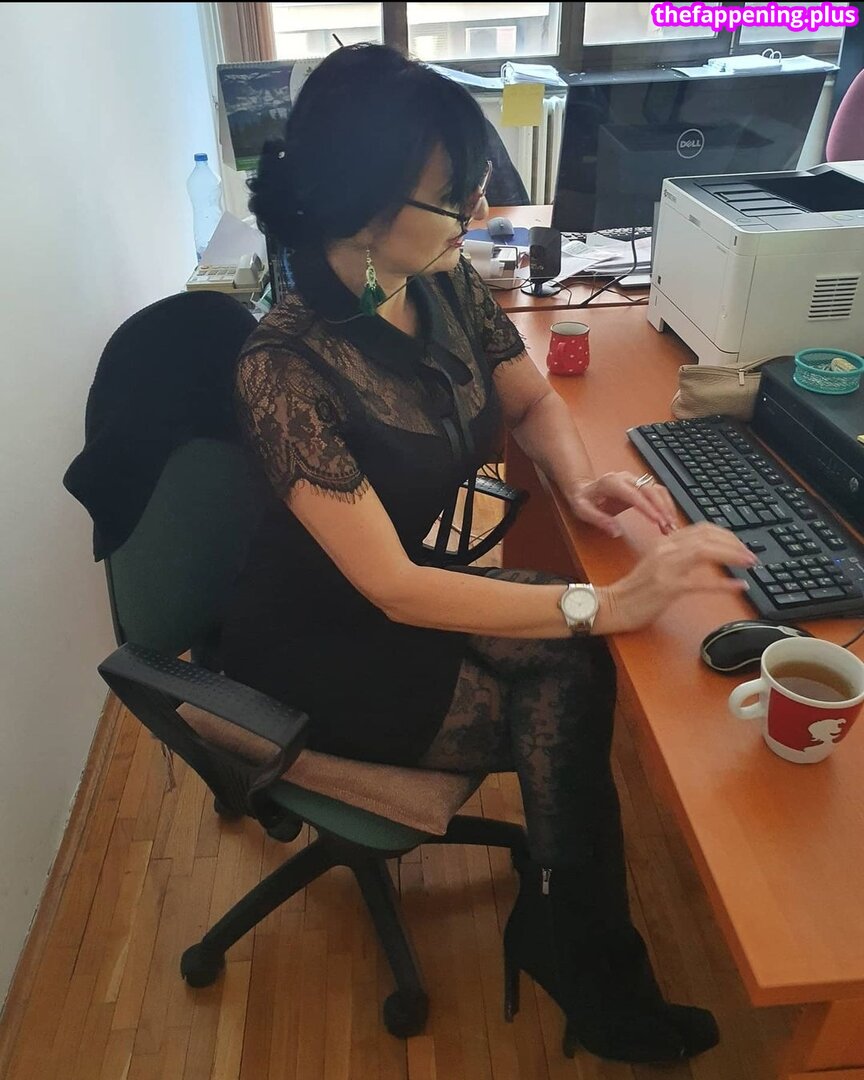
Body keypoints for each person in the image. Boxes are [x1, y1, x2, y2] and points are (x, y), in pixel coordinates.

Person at [221, 43, 755, 1066]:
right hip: (319, 638)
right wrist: (608, 603)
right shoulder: (282, 368)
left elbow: (536, 401)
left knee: (574, 665)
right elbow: (391, 588)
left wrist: (577, 480)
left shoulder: (439, 279)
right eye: (452, 195)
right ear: (364, 209)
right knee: (569, 670)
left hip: (412, 582)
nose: (476, 209)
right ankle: (584, 955)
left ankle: (570, 937)